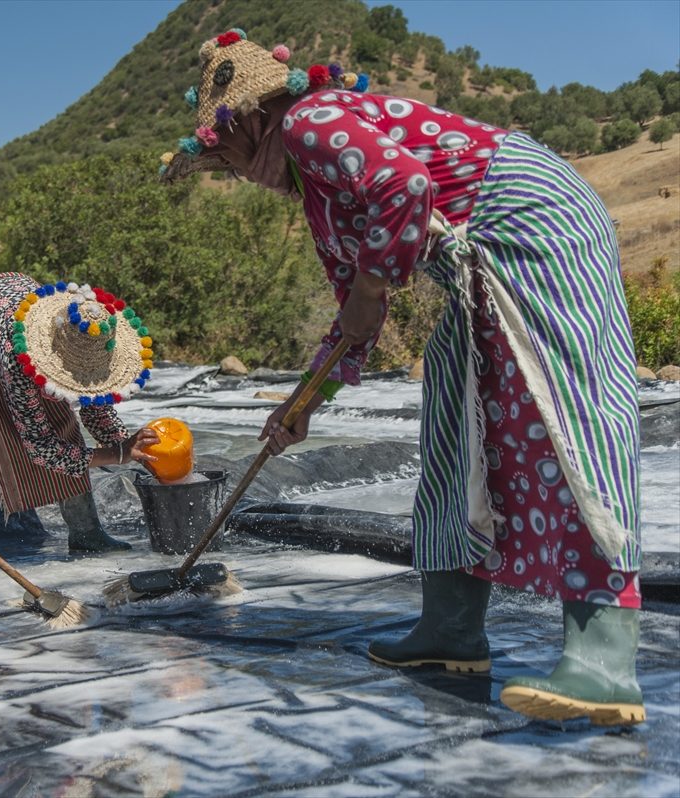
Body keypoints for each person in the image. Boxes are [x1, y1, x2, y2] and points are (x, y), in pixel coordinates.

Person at [162, 30, 645, 726]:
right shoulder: (320, 200)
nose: (226, 166)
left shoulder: (310, 120)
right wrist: (302, 404)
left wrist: (370, 286)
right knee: (453, 421)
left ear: (256, 118)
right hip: (476, 266)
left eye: (223, 146)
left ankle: (604, 658)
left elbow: (407, 185)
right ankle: (451, 631)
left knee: (556, 416)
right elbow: (351, 324)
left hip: (533, 226)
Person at [0, 273, 160, 574]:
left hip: (9, 307)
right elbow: (41, 448)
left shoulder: (89, 335)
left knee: (63, 421)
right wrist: (118, 455)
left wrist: (136, 448)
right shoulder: (19, 356)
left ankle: (86, 533)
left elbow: (96, 409)